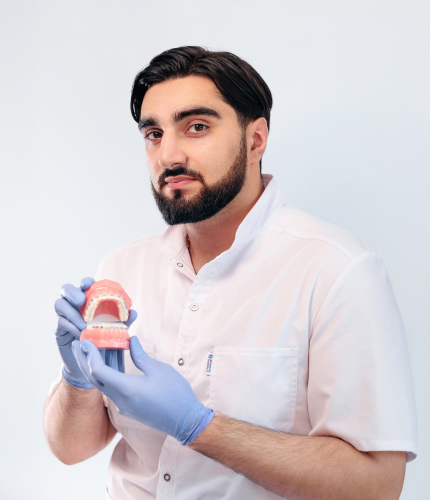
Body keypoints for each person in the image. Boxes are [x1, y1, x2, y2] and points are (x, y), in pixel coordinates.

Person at [44, 46, 417, 500]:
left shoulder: (336, 271)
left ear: (256, 139)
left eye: (196, 127)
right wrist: (78, 381)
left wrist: (199, 427)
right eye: (154, 134)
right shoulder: (123, 268)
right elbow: (70, 449)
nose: (168, 155)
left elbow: (377, 484)